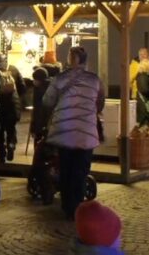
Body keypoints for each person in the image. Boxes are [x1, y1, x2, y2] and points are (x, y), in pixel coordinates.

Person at [43, 46, 105, 219]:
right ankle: (77, 206)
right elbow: (100, 103)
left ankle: (67, 205)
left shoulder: (60, 79)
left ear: (71, 59)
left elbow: (47, 101)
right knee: (81, 170)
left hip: (64, 131)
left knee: (66, 168)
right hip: (86, 133)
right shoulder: (95, 80)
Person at [29, 67, 56, 205]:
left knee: (40, 155)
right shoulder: (52, 88)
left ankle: (44, 183)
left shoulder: (40, 91)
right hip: (52, 128)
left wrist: (36, 127)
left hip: (44, 128)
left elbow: (39, 111)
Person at [0, 52, 23, 163]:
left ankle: (1, 155)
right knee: (11, 128)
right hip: (13, 104)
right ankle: (11, 145)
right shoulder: (12, 68)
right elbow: (22, 86)